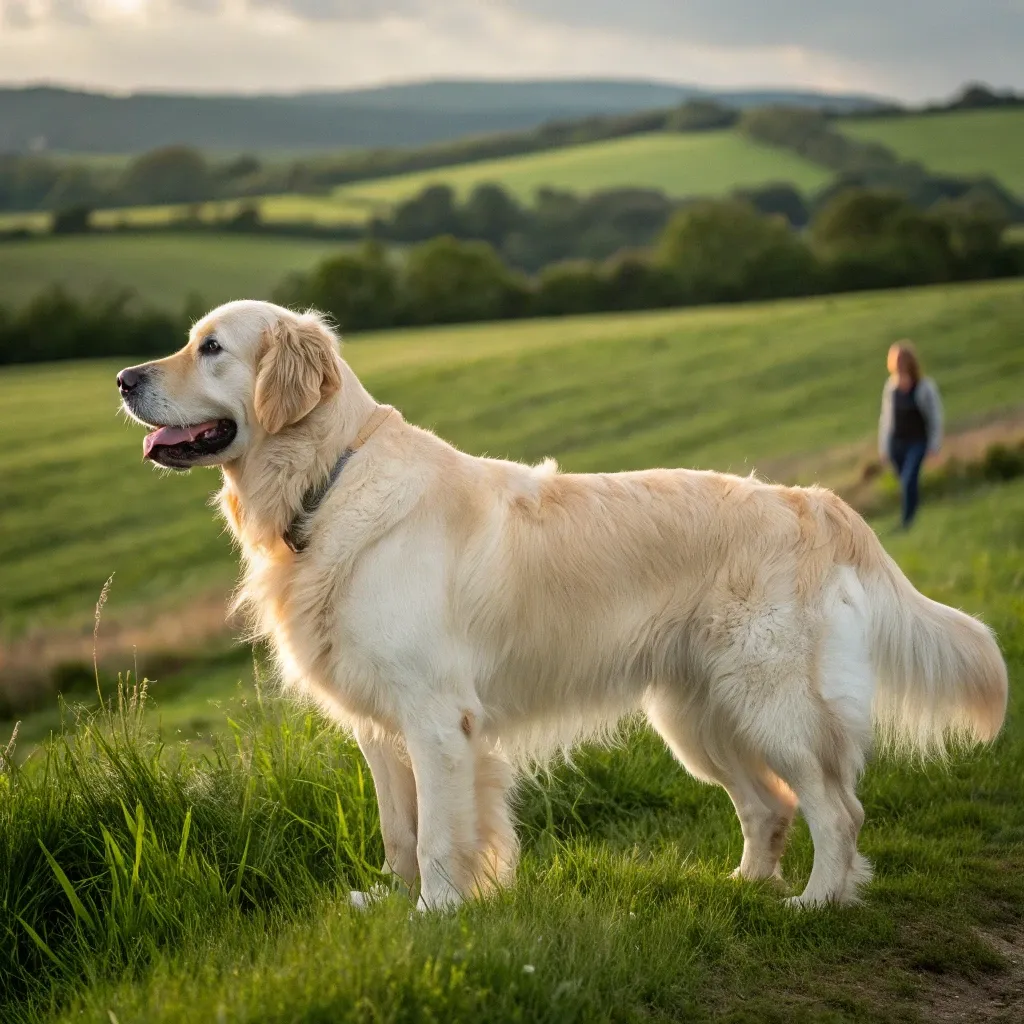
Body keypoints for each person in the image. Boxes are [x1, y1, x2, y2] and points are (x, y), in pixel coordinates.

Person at [878, 341, 943, 529]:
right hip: (896, 443)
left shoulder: (924, 387)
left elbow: (935, 417)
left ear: (910, 362)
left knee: (908, 480)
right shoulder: (891, 387)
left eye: (901, 360)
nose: (898, 364)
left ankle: (907, 522)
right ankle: (912, 510)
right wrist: (884, 447)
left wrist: (934, 445)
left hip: (917, 442)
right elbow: (886, 418)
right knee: (905, 482)